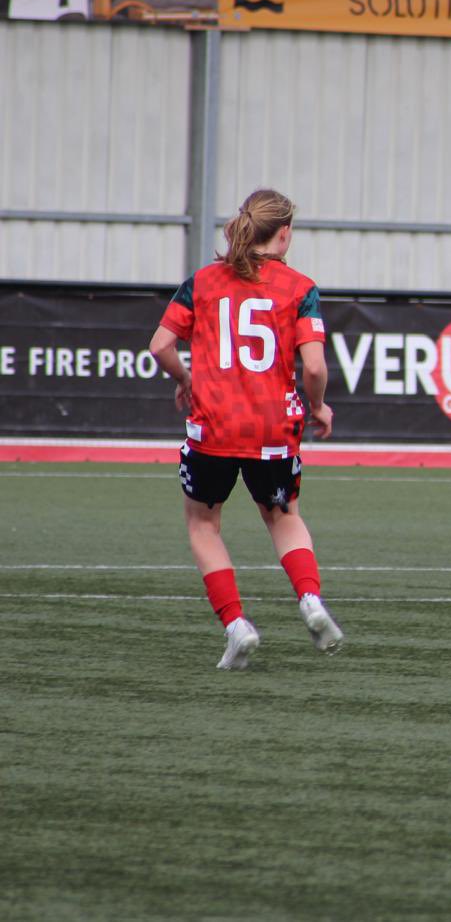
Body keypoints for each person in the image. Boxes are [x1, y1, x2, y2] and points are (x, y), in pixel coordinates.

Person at [147, 188, 342, 670]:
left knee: (203, 525)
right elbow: (314, 368)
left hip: (212, 427)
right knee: (283, 518)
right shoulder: (300, 287)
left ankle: (237, 626)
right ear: (284, 232)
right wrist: (318, 406)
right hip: (273, 428)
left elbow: (159, 346)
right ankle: (311, 602)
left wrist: (186, 379)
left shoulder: (204, 282)